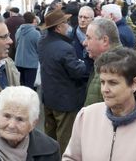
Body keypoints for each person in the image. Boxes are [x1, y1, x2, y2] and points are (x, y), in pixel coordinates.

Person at [38, 9, 88, 153]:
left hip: (49, 97)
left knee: (50, 136)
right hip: (65, 101)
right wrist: (85, 62)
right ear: (59, 27)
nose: (68, 25)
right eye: (65, 23)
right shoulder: (65, 48)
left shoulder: (42, 42)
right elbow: (77, 71)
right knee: (65, 140)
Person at [83, 18, 122, 106]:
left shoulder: (111, 69)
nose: (84, 43)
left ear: (104, 40)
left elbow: (93, 115)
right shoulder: (104, 64)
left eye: (88, 38)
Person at [14, 12, 41, 89]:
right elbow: (39, 49)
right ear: (33, 20)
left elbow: (16, 44)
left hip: (18, 61)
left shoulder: (19, 31)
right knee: (30, 87)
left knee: (22, 87)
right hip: (31, 63)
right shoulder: (36, 33)